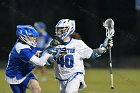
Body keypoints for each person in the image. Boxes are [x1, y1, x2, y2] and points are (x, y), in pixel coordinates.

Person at [52, 19, 113, 93]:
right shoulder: (54, 44)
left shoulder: (78, 44)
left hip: (75, 74)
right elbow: (46, 60)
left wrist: (103, 47)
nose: (58, 32)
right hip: (62, 77)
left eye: (60, 30)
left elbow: (92, 54)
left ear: (68, 30)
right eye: (57, 30)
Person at [5, 25, 56, 93]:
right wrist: (48, 52)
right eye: (32, 36)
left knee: (36, 89)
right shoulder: (21, 48)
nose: (34, 38)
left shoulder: (26, 43)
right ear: (24, 37)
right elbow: (40, 63)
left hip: (26, 72)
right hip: (15, 75)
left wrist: (46, 53)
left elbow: (35, 52)